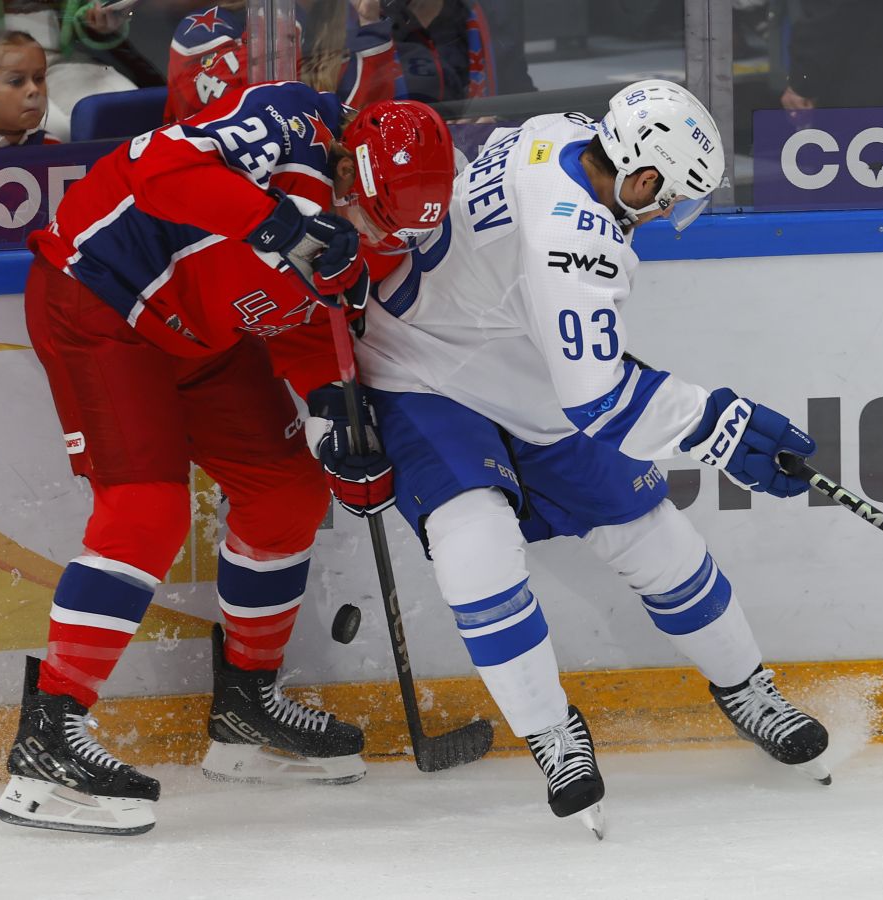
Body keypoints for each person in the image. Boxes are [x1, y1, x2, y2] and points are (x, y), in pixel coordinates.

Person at [354, 80, 831, 832]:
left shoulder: (560, 130)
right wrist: (722, 426)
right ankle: (550, 732)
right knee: (474, 542)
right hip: (421, 370)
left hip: (514, 358)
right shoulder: (574, 244)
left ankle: (746, 688)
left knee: (652, 535)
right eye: (671, 198)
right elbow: (601, 402)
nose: (668, 214)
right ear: (642, 179)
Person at [0, 80, 456, 835]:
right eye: (374, 216)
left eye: (396, 231)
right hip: (102, 303)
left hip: (205, 337)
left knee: (288, 491)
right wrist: (281, 224)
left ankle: (246, 706)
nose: (379, 237)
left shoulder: (375, 229)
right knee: (147, 512)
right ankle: (48, 737)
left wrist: (333, 414)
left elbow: (301, 317)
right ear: (349, 167)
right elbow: (158, 169)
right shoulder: (286, 119)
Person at [0, 1, 140, 141]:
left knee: (126, 107)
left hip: (49, 52)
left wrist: (94, 18)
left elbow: (78, 9)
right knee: (52, 130)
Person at [164, 0, 405, 123]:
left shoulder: (335, 40)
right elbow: (248, 106)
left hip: (300, 188)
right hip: (210, 184)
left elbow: (360, 127)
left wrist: (370, 23)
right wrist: (284, 10)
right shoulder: (203, 27)